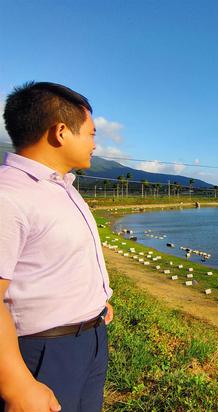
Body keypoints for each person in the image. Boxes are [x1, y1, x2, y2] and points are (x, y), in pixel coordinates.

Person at [0, 82, 114, 412]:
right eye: (91, 134)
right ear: (61, 132)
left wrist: (95, 301)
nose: (95, 143)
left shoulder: (63, 188)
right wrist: (16, 384)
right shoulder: (9, 195)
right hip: (44, 351)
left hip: (90, 339)